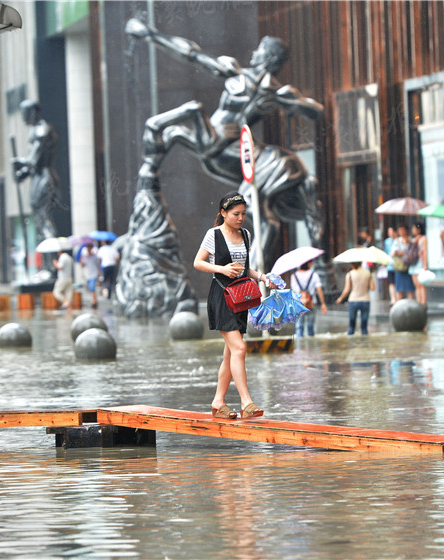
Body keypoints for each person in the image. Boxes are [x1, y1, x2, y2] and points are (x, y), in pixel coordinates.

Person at [126, 17, 325, 266]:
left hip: (227, 143)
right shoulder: (237, 73)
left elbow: (316, 111)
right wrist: (151, 35)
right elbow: (192, 54)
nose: (254, 53)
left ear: (270, 58)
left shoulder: (274, 91)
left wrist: (295, 101)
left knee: (250, 203)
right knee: (173, 134)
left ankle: (254, 265)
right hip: (218, 140)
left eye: (260, 50)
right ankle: (150, 174)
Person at [193, 192, 273, 419]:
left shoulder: (245, 235)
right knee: (239, 348)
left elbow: (245, 268)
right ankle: (246, 402)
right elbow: (197, 262)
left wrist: (263, 278)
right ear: (223, 213)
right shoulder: (213, 234)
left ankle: (218, 402)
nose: (240, 218)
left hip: (241, 297)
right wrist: (221, 269)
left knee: (230, 355)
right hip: (221, 296)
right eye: (235, 214)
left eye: (243, 214)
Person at [11, 100, 61, 243]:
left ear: (33, 112)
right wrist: (22, 174)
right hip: (39, 177)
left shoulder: (41, 130)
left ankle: (51, 258)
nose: (23, 117)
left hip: (44, 178)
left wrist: (18, 162)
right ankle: (47, 259)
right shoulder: (35, 130)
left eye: (24, 113)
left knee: (43, 218)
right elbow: (33, 165)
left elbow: (33, 159)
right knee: (39, 219)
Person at [335, 262, 376, 335]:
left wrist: (340, 298)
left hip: (353, 301)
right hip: (365, 300)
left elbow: (347, 290)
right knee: (364, 327)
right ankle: (365, 344)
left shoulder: (350, 274)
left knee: (351, 326)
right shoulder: (368, 273)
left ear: (352, 264)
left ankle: (351, 344)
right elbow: (372, 288)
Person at [291, 261, 327, 337]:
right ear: (309, 264)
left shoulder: (294, 276)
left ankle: (300, 347)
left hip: (299, 305)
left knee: (299, 328)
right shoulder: (314, 275)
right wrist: (323, 303)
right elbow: (319, 289)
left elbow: (293, 292)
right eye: (311, 262)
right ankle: (311, 347)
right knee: (310, 327)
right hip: (311, 303)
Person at [392, 224, 415, 300]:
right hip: (399, 266)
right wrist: (402, 252)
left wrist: (407, 244)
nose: (401, 232)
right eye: (400, 230)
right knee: (399, 288)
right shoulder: (397, 241)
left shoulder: (411, 240)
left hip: (409, 266)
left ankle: (411, 305)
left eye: (403, 229)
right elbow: (392, 253)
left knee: (410, 288)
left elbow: (413, 251)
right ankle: (400, 305)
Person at [409, 223, 428, 307]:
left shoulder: (423, 239)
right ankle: (418, 301)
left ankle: (423, 302)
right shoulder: (413, 239)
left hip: (420, 262)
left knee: (421, 284)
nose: (413, 230)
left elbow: (425, 252)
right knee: (416, 284)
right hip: (413, 263)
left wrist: (425, 265)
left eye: (414, 228)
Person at [80, 243, 100, 308]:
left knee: (92, 287)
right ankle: (95, 300)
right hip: (88, 274)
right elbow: (82, 265)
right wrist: (82, 257)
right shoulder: (85, 257)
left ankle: (93, 301)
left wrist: (99, 273)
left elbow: (97, 265)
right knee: (91, 288)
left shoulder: (94, 256)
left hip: (94, 273)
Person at [383, 226, 398, 305]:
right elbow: (385, 252)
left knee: (397, 282)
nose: (389, 233)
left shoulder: (398, 240)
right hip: (390, 265)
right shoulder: (387, 241)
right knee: (391, 282)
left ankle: (397, 298)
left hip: (398, 265)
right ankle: (393, 298)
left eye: (391, 231)